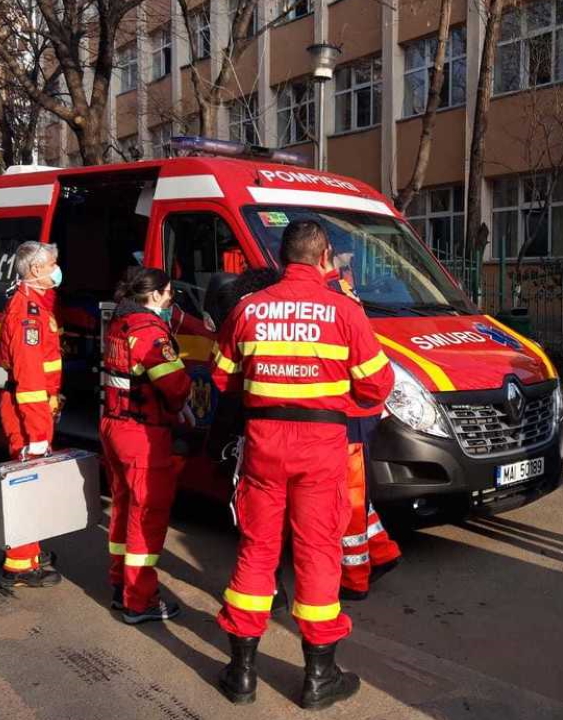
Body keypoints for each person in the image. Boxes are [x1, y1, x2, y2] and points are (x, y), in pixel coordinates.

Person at [212, 220, 394, 710]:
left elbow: (222, 377)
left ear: (282, 257)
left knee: (257, 549)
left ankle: (242, 673)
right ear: (324, 256)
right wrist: (336, 400)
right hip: (321, 447)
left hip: (264, 445)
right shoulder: (344, 310)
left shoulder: (248, 308)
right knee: (317, 552)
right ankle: (319, 676)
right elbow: (378, 385)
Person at [101, 267, 193, 624]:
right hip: (142, 435)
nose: (171, 299)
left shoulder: (120, 323)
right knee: (147, 517)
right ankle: (139, 601)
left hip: (115, 425)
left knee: (124, 510)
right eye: (169, 293)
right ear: (155, 294)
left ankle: (119, 584)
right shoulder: (149, 331)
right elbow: (176, 385)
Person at [327, 254, 402, 601]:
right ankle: (383, 551)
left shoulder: (333, 301)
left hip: (346, 418)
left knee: (350, 500)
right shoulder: (341, 298)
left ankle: (355, 577)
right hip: (356, 413)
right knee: (355, 497)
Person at [0, 241, 65, 589]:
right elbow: (30, 382)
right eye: (53, 263)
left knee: (31, 484)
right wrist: (38, 436)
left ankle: (30, 552)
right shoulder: (28, 315)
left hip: (32, 409)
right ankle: (19, 564)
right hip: (28, 413)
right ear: (37, 270)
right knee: (26, 484)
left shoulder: (35, 305)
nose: (57, 268)